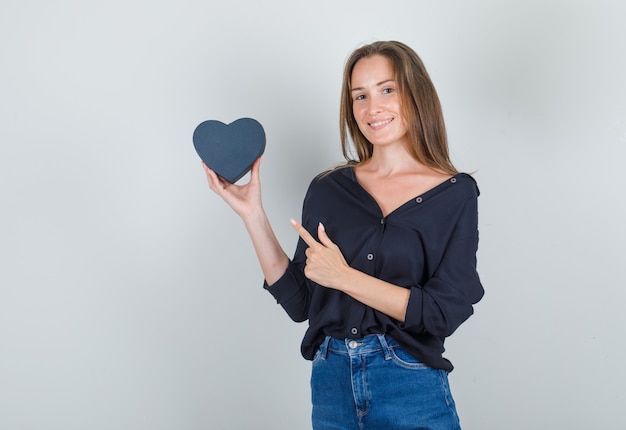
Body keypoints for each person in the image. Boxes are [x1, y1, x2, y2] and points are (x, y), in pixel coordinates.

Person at [203, 40, 484, 430]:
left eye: (388, 89)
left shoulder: (454, 194)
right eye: (360, 96)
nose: (373, 108)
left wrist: (345, 278)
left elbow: (442, 312)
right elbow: (301, 302)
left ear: (415, 93)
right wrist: (252, 214)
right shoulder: (328, 189)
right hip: (332, 386)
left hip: (409, 384)